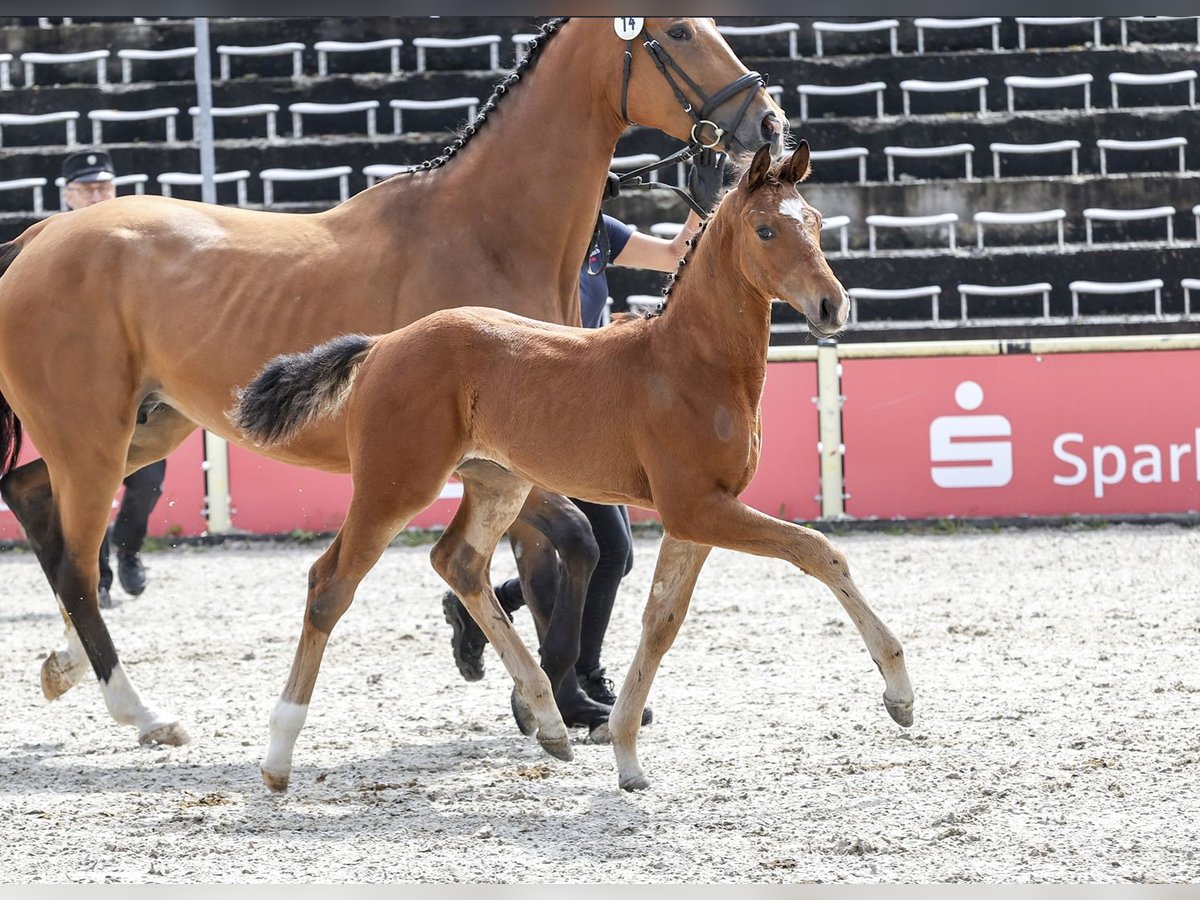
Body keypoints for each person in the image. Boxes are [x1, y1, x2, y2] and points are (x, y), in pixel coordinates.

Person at [441, 149, 727, 726]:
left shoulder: (601, 230)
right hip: (550, 405)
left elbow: (676, 257)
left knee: (611, 558)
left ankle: (491, 616)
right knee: (605, 550)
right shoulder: (532, 235)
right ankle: (573, 679)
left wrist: (703, 204)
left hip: (593, 399)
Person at [62, 149, 167, 610]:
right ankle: (98, 576)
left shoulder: (136, 240)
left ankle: (129, 548)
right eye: (88, 189)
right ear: (68, 196)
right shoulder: (53, 246)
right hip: (83, 381)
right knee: (88, 481)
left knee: (148, 479)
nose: (97, 194)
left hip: (138, 375)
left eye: (104, 187)